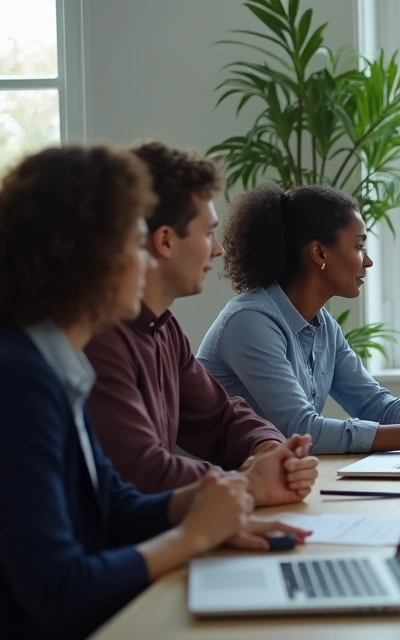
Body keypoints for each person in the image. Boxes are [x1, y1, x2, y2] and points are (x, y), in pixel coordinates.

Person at [0, 146, 308, 639]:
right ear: (86, 259)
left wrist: (218, 505)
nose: (147, 264)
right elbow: (57, 589)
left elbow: (115, 502)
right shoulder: (20, 379)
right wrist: (195, 534)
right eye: (135, 244)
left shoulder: (55, 365)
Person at [85, 141, 319, 496]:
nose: (218, 249)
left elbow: (222, 417)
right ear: (165, 241)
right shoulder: (99, 338)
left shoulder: (163, 328)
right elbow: (141, 471)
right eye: (208, 233)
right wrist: (249, 483)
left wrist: (269, 449)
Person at [198, 185, 400, 455]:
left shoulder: (323, 325)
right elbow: (301, 431)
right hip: (224, 486)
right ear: (319, 252)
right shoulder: (249, 322)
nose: (368, 261)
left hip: (276, 479)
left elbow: (373, 403)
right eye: (359, 246)